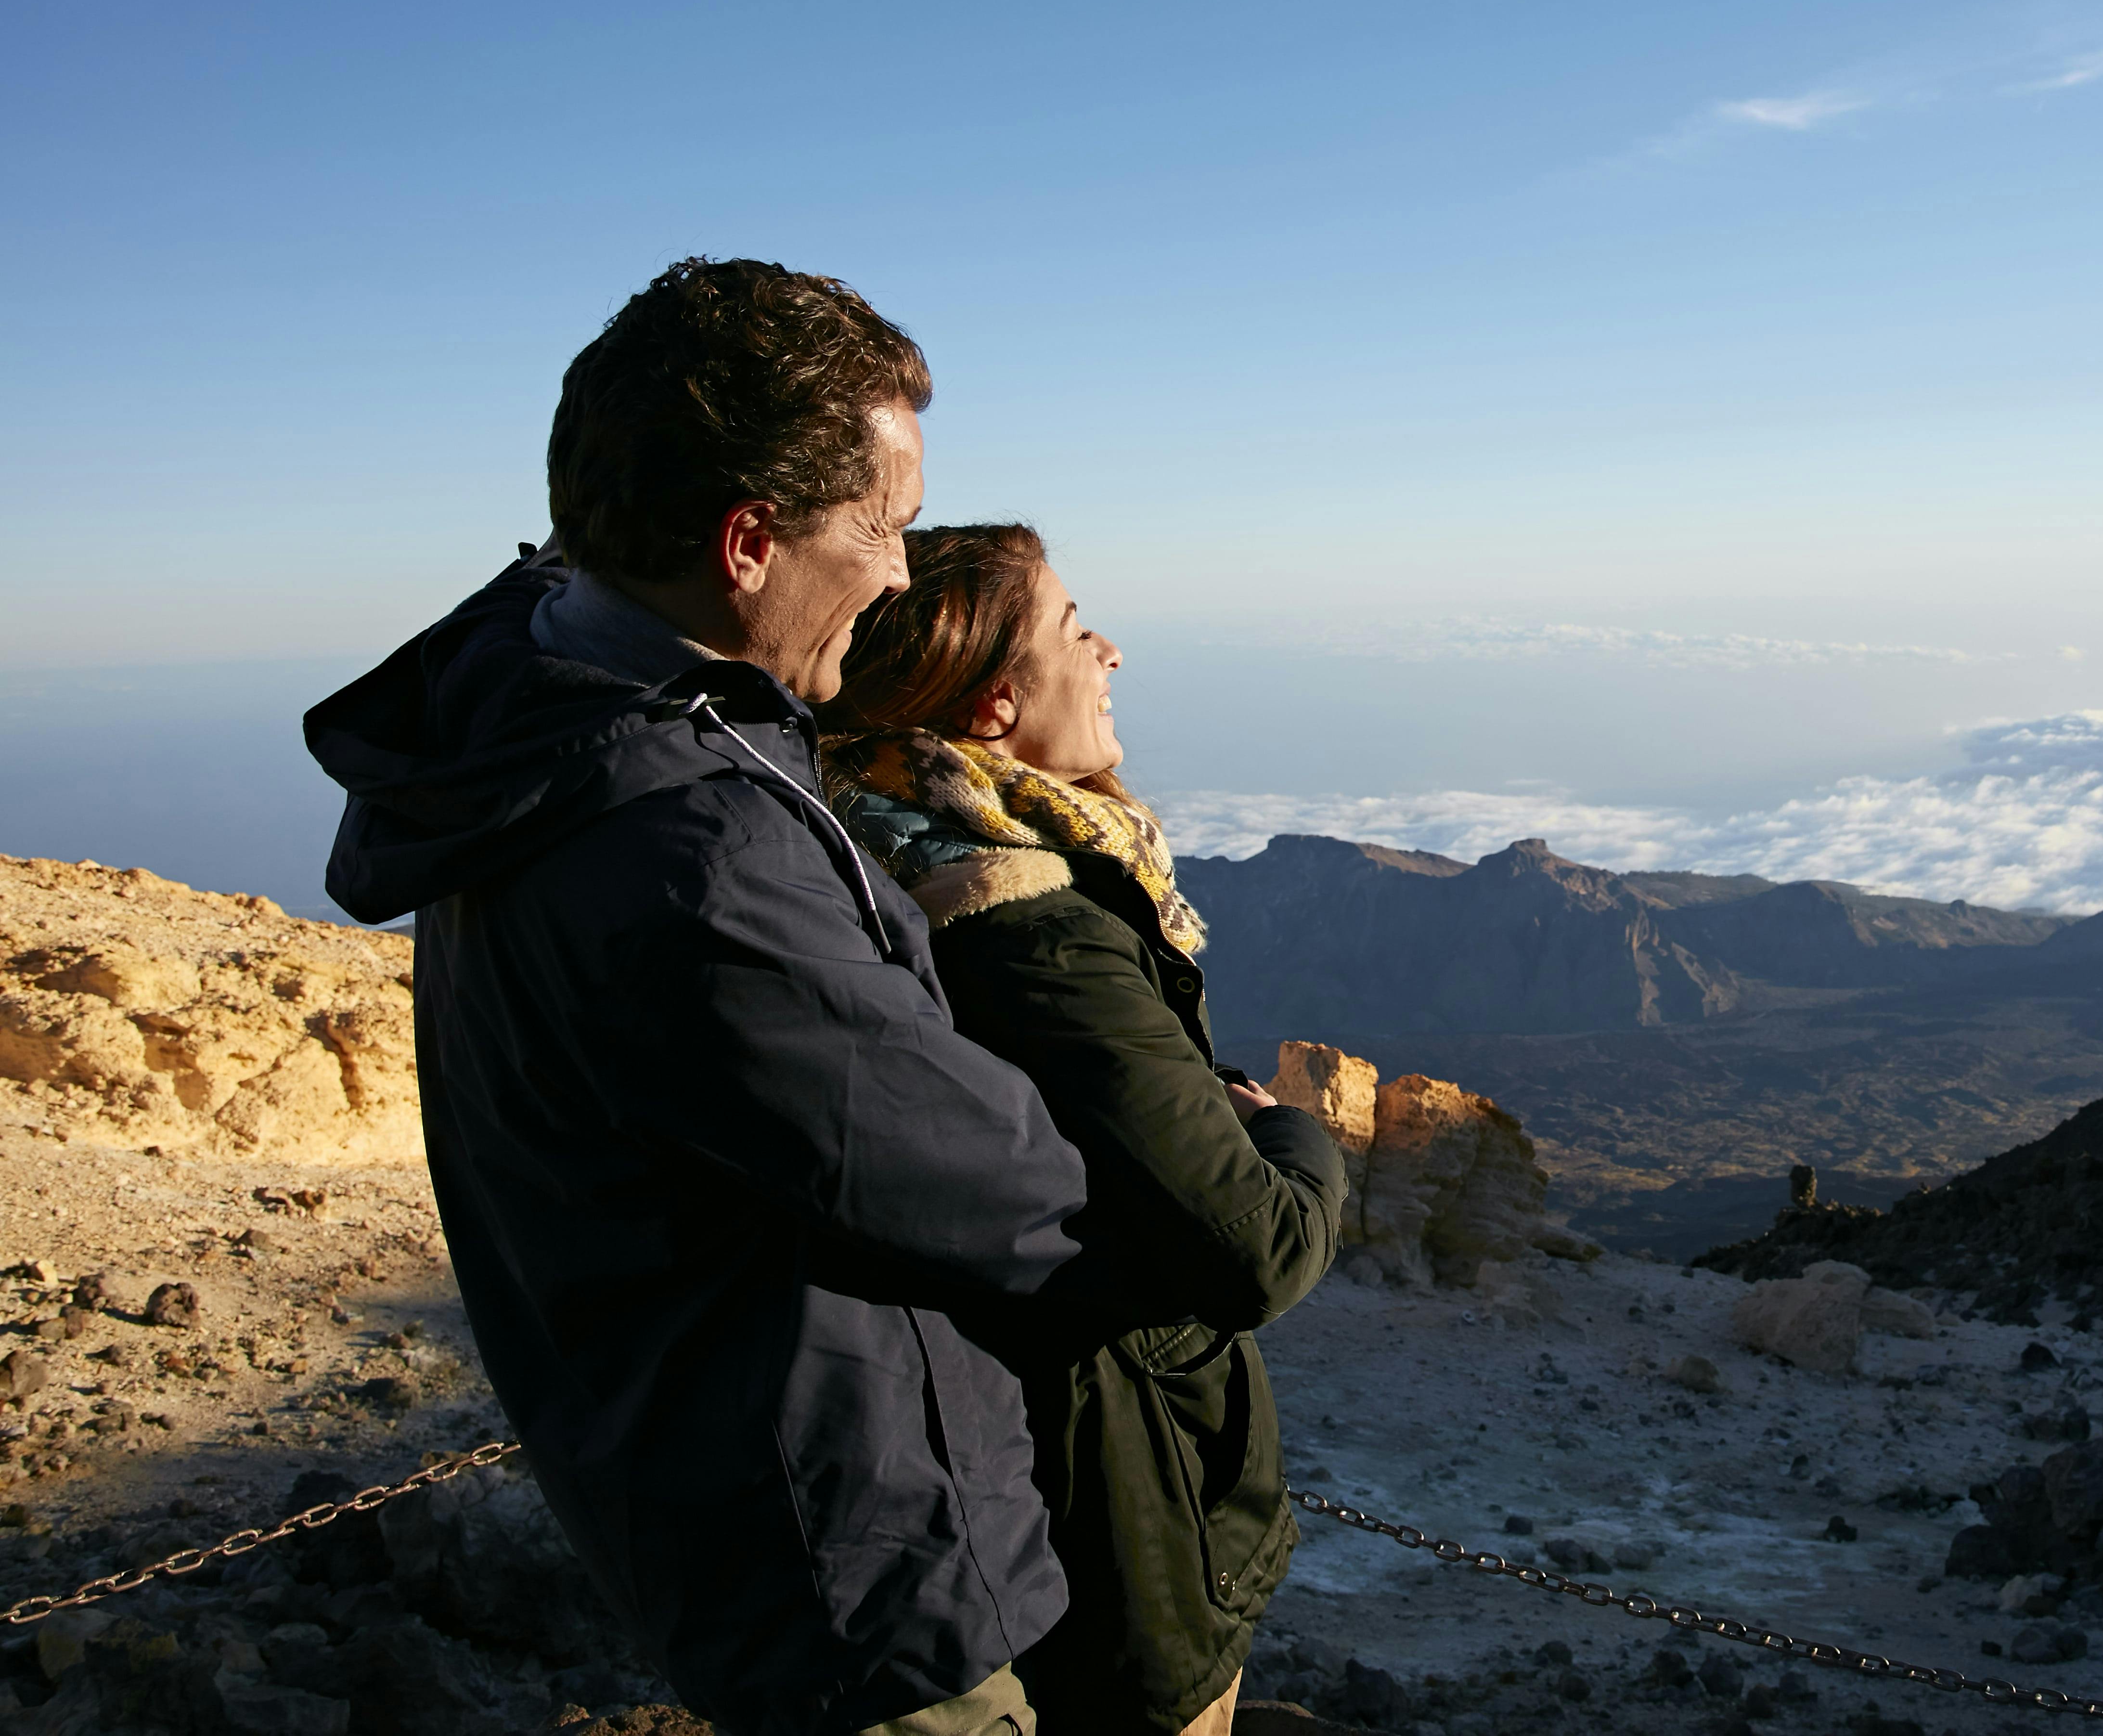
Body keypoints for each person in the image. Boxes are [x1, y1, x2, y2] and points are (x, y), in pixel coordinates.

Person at [306, 260, 1091, 1736]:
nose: (906, 577)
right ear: (748, 542)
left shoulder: (547, 725)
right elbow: (991, 1185)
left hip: (732, 1515)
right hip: (849, 1569)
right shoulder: (682, 845)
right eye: (888, 529)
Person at [820, 523, 1346, 1736]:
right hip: (1116, 1507)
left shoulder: (862, 850)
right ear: (996, 707)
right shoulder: (1026, 926)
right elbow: (1252, 1250)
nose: (1110, 649)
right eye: (1072, 629)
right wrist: (1296, 1137)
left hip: (1003, 1486)